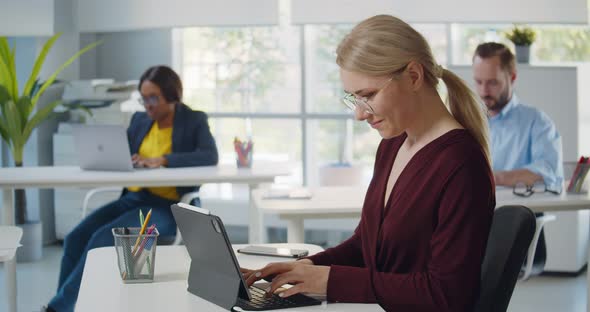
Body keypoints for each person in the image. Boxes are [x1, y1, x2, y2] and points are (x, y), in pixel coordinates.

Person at [242, 15, 495, 311]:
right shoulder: (393, 144)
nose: (359, 115)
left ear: (413, 76)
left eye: (368, 95)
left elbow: (447, 294)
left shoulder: (461, 164)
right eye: (354, 99)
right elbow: (367, 246)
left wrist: (331, 281)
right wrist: (306, 268)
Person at [45, 65, 218, 312]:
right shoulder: (140, 120)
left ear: (171, 95)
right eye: (143, 98)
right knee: (75, 237)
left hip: (168, 207)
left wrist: (164, 159)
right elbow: (122, 150)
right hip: (135, 198)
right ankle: (65, 306)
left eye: (153, 98)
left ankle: (55, 309)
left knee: (101, 239)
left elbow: (209, 155)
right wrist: (129, 158)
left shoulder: (193, 120)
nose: (147, 105)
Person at [472, 42, 564, 192]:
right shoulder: (467, 122)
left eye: (492, 82)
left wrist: (495, 178)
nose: (483, 91)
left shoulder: (537, 122)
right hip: (476, 212)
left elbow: (548, 170)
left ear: (512, 77)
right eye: (478, 82)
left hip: (522, 211)